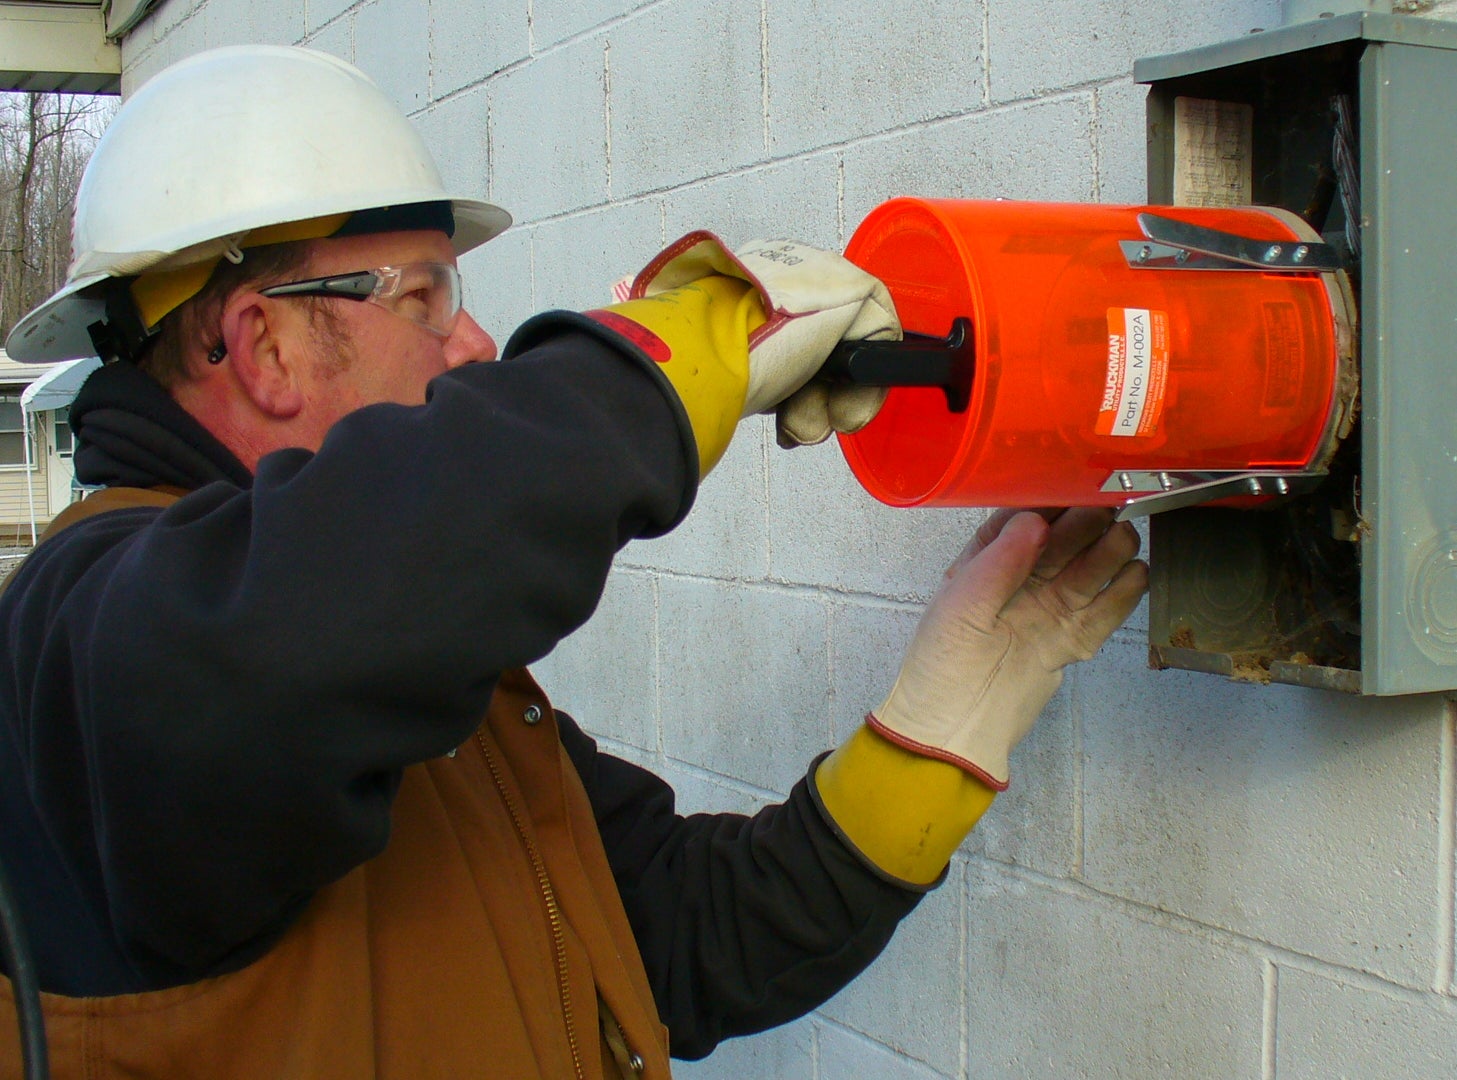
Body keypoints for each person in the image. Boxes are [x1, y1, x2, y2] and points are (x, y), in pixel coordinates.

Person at [0, 45, 1146, 1079]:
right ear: (262, 343)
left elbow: (682, 944)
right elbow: (312, 619)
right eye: (426, 295)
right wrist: (663, 359)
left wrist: (939, 734)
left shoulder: (411, 672)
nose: (475, 345)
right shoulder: (84, 634)